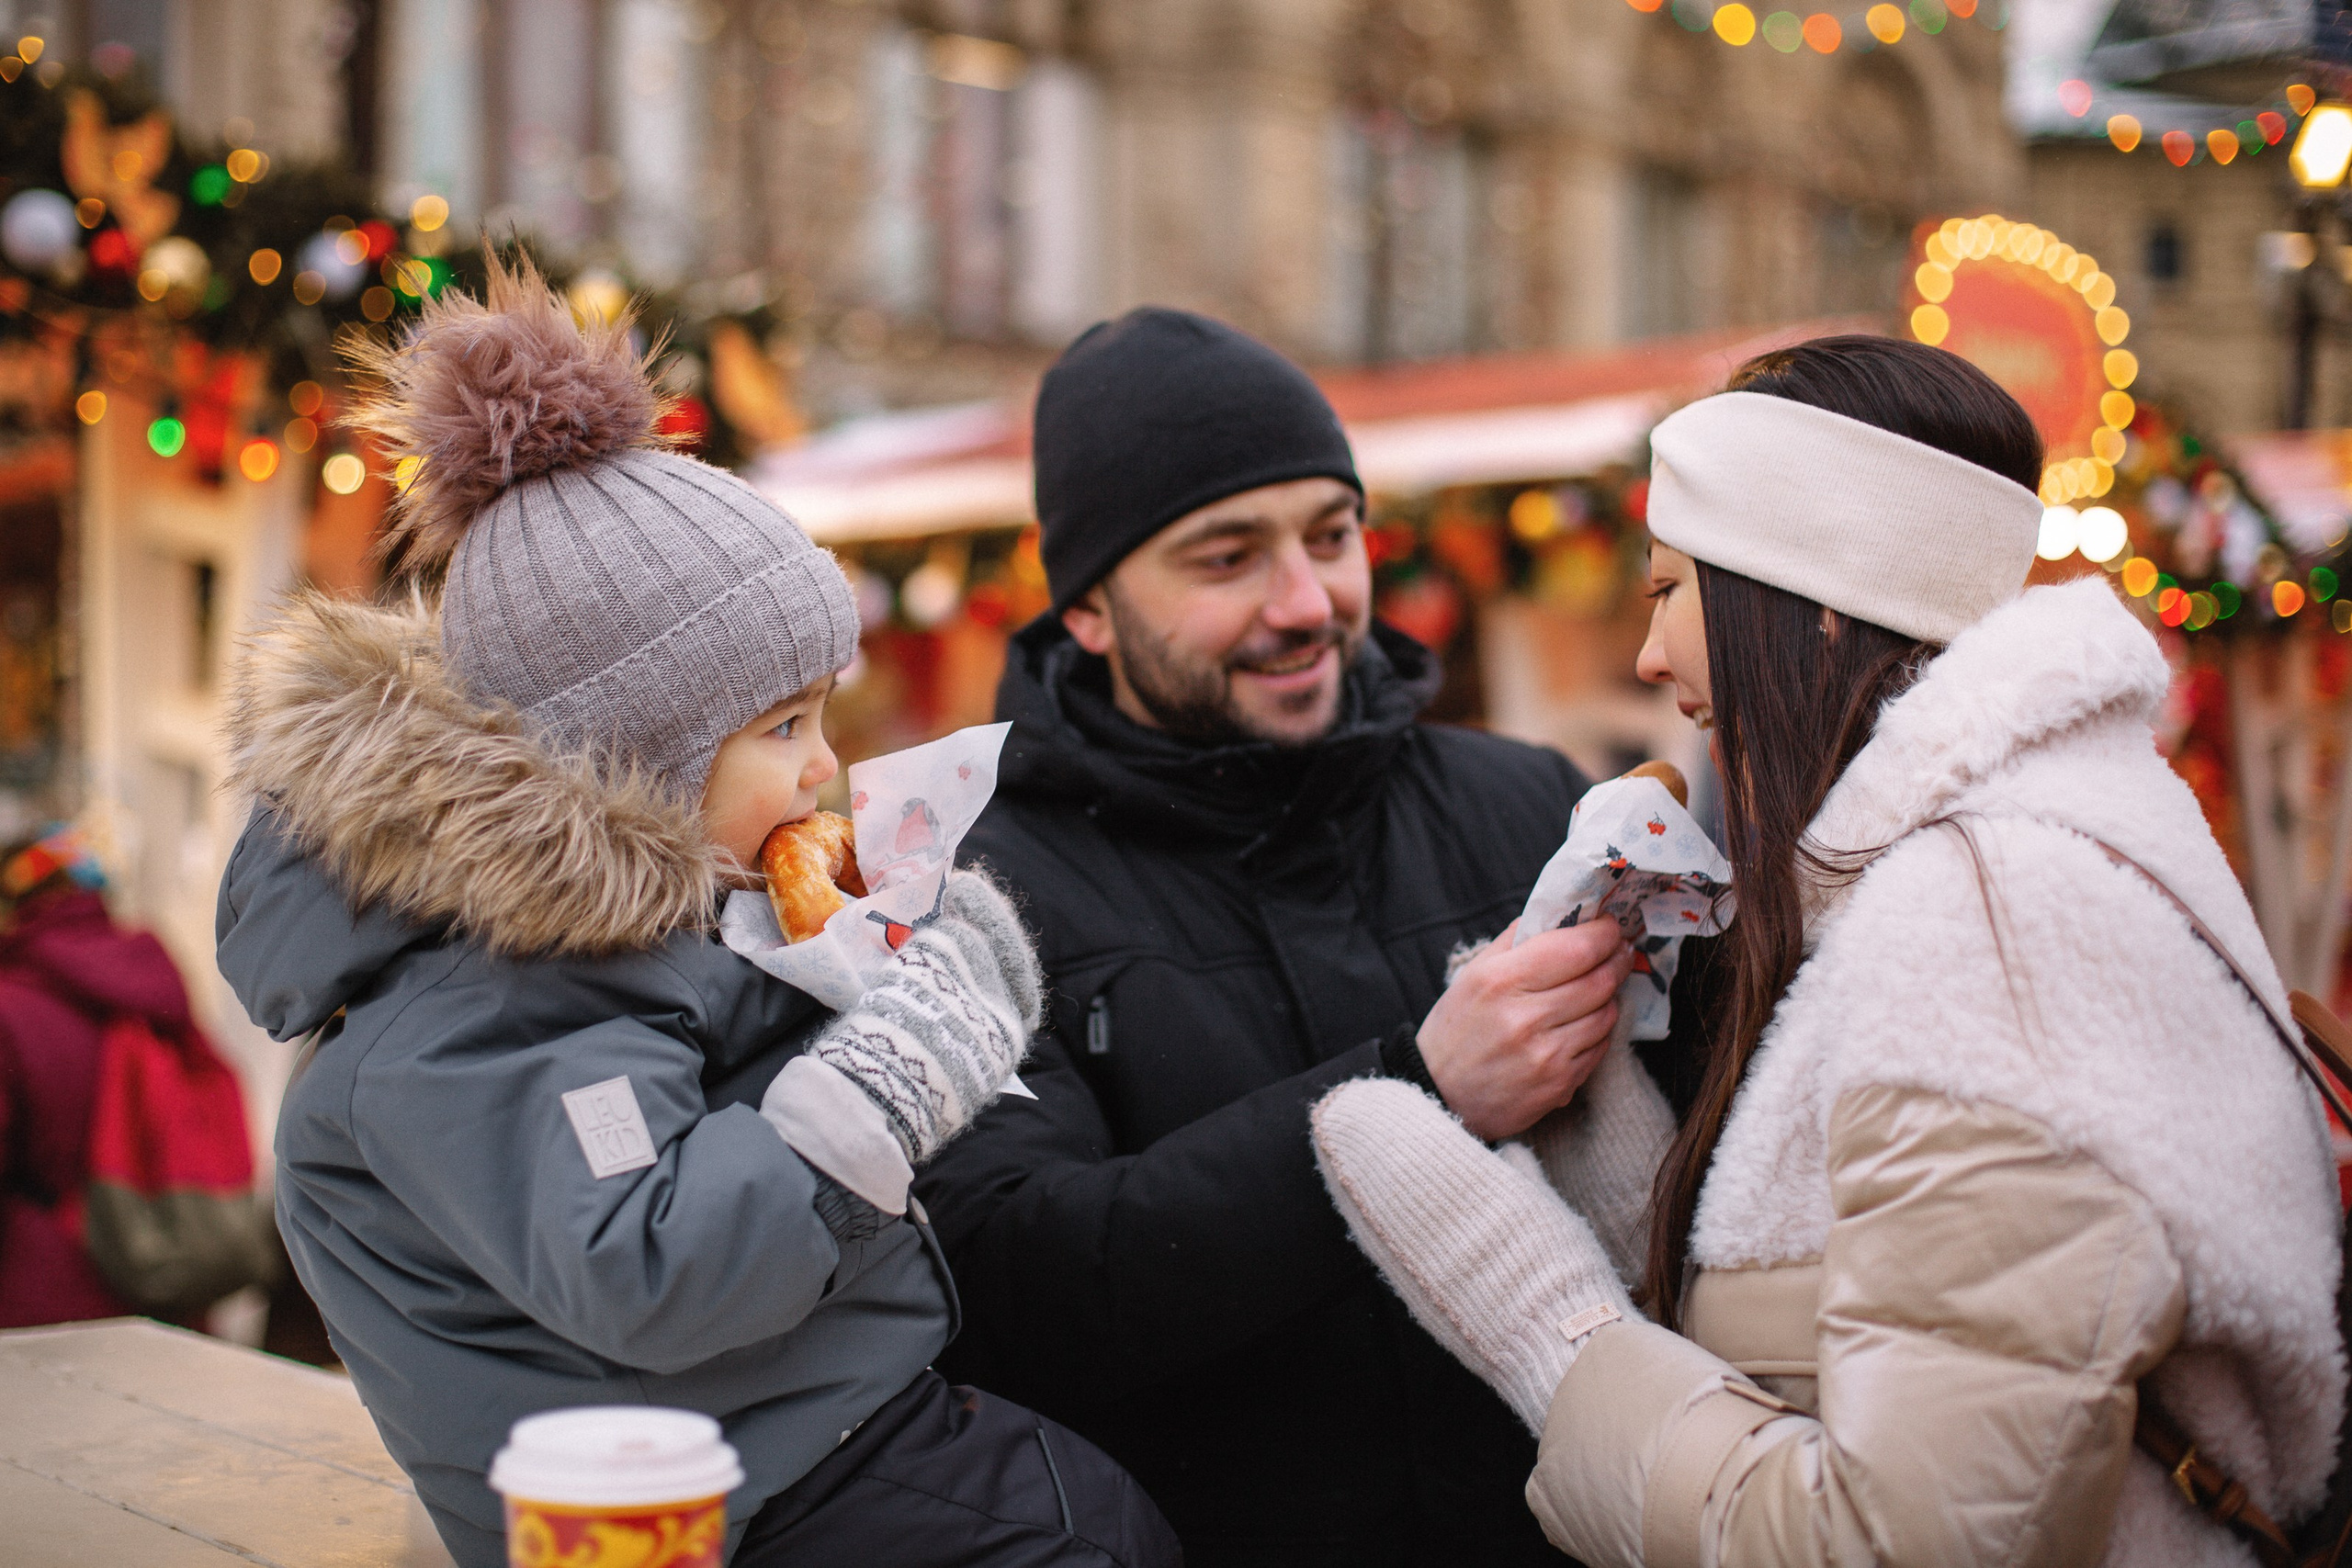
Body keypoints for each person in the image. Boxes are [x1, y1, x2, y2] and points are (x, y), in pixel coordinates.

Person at [1311, 335, 2346, 1565]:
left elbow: (1907, 1546)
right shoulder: (2012, 851)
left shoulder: (1987, 928)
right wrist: (1616, 1148)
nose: (1649, 658)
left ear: (1798, 604)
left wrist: (1551, 1329)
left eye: (1667, 592)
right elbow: (1882, 1321)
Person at [218, 258, 1177, 1568]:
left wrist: (894, 973)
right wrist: (892, 1071)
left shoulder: (632, 938)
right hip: (716, 1509)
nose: (825, 767)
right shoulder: (475, 1009)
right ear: (630, 762)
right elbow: (651, 1265)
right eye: (783, 728)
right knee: (1088, 1539)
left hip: (804, 1433)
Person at [916, 306, 1713, 1566]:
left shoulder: (1524, 800)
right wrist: (1414, 1091)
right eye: (1225, 558)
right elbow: (1010, 1290)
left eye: (1332, 537)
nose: (1306, 604)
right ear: (1087, 608)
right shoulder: (977, 888)